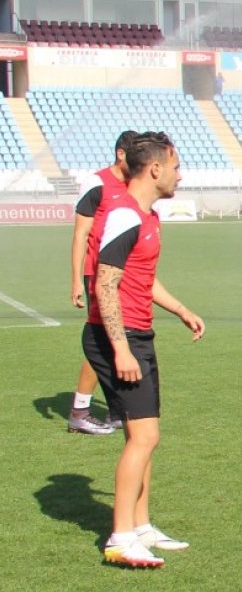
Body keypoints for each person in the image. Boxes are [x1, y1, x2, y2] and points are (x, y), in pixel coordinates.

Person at [82, 132, 205, 568]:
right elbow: (105, 283)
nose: (179, 174)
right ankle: (119, 537)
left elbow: (142, 279)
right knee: (145, 436)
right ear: (155, 168)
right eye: (175, 166)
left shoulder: (146, 216)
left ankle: (141, 526)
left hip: (139, 334)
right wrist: (121, 349)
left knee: (144, 436)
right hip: (118, 338)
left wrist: (181, 310)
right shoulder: (122, 215)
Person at [67, 130, 138, 436]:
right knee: (104, 338)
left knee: (117, 337)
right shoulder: (97, 183)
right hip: (98, 273)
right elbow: (81, 234)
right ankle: (81, 411)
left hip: (123, 273)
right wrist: (75, 281)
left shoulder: (134, 186)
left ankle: (114, 408)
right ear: (121, 154)